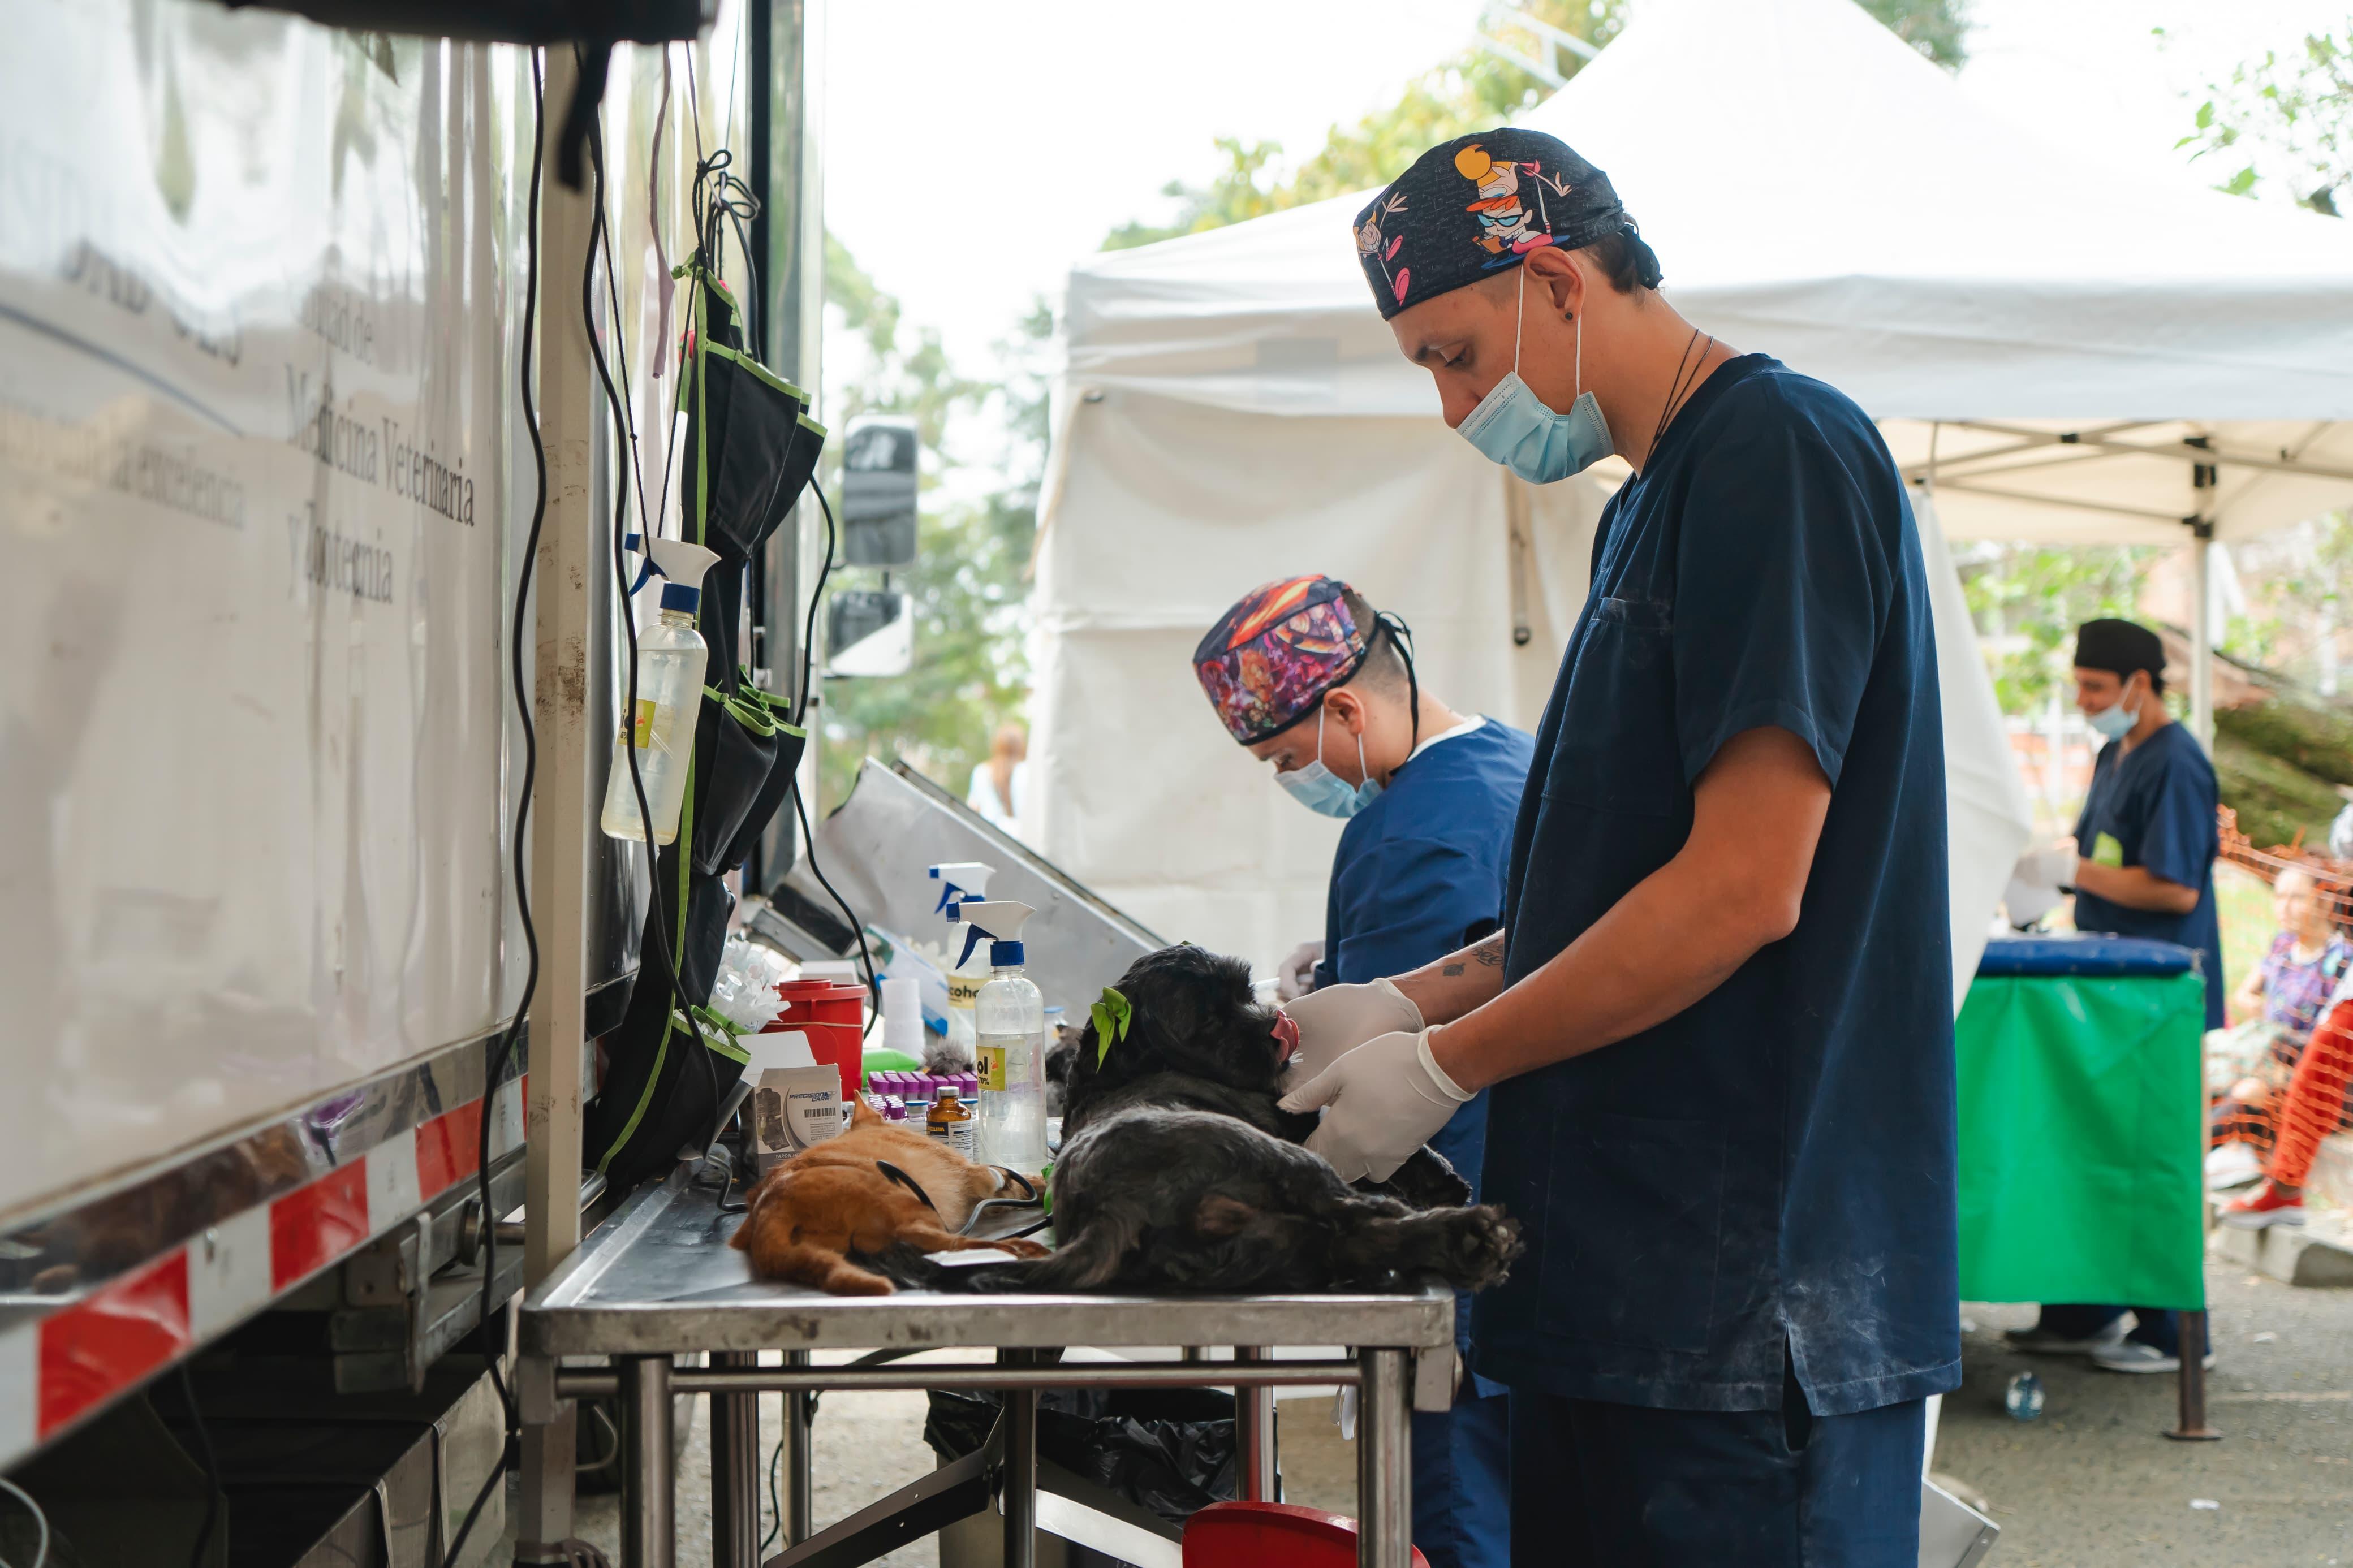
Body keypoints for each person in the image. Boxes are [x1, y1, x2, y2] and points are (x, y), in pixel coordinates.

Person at [1279, 128, 1953, 1565]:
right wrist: (1416, 995)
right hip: (1626, 1284)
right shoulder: (1644, 508)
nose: (1458, 409)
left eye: (1456, 355)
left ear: (1555, 280)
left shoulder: (1776, 454)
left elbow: (1741, 889)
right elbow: (1614, 887)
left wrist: (1449, 1066)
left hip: (1746, 1297)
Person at [1193, 574, 1533, 1568]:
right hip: (1550, 1228)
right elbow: (1465, 970)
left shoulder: (1413, 831)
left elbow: (1406, 1077)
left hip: (1464, 1240)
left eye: (1288, 757)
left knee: (1463, 1521)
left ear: (1346, 706)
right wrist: (1340, 968)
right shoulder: (1506, 763)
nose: (1293, 779)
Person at [2006, 617, 2223, 1375]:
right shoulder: (2113, 753)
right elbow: (2094, 853)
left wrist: (2071, 872)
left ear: (2141, 685)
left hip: (2160, 997)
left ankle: (2169, 1328)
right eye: (2079, 685)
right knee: (2087, 1147)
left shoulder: (2177, 765)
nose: (2084, 699)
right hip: (2107, 990)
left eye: (2095, 688)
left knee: (2148, 1155)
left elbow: (2173, 885)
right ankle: (2084, 1307)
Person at [2208, 867, 2349, 1190]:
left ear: (2325, 903)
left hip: (2310, 1073)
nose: (2284, 906)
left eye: (2296, 897)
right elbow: (2245, 993)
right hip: (2267, 1056)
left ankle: (2187, 1161)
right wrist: (2262, 1016)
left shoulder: (2341, 960)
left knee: (2249, 1090)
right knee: (2210, 1073)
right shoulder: (2283, 946)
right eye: (2280, 896)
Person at [964, 724, 1027, 833]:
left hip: (990, 837)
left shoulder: (981, 772)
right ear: (1021, 746)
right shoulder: (1025, 771)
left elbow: (972, 809)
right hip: (1021, 842)